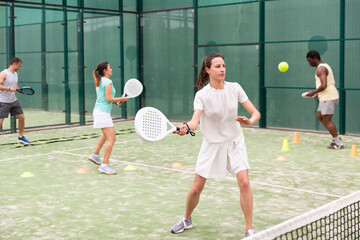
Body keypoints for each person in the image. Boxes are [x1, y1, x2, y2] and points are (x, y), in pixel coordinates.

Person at [170, 52, 260, 238]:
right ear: (207, 70)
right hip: (212, 144)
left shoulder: (235, 88)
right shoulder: (202, 95)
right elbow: (195, 122)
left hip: (234, 142)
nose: (222, 69)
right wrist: (186, 127)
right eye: (218, 66)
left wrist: (250, 121)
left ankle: (249, 230)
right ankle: (187, 218)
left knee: (244, 182)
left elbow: (255, 113)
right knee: (197, 188)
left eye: (224, 66)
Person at [88, 61, 128, 175]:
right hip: (102, 113)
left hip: (100, 111)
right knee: (112, 138)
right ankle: (105, 165)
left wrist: (118, 101)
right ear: (105, 71)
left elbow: (106, 99)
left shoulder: (101, 81)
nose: (112, 69)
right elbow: (108, 99)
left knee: (106, 135)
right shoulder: (108, 81)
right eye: (110, 68)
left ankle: (95, 155)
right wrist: (121, 98)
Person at [305, 50, 343, 149]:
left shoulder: (320, 69)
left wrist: (313, 92)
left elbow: (324, 85)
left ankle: (338, 143)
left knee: (327, 120)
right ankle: (336, 137)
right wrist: (317, 94)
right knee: (320, 116)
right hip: (326, 96)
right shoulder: (324, 66)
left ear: (315, 59)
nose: (309, 63)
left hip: (328, 97)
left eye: (309, 61)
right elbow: (325, 84)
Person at [0, 57, 30, 145]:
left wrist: (18, 89)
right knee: (0, 121)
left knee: (21, 117)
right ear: (14, 64)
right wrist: (8, 88)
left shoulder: (15, 74)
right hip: (3, 101)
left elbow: (13, 83)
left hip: (13, 101)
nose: (20, 68)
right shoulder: (3, 74)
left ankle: (21, 137)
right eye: (19, 66)